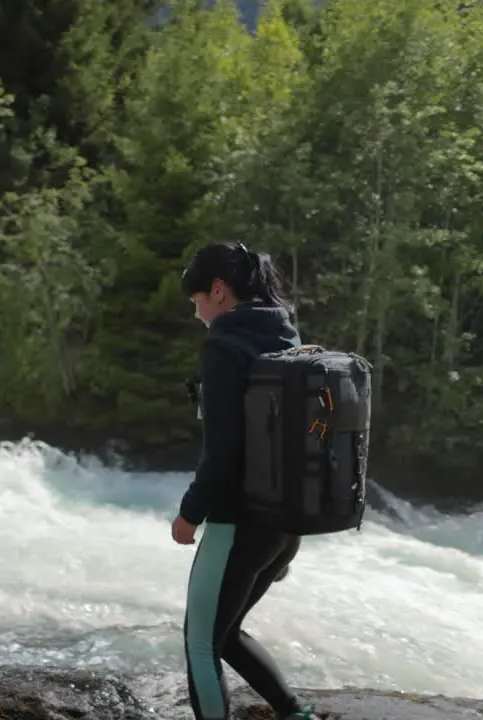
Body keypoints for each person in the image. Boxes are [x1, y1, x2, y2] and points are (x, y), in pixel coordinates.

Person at [172, 241, 317, 720]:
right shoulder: (285, 336)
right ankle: (295, 714)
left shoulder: (224, 346)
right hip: (284, 522)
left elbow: (224, 449)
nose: (197, 315)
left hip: (238, 521)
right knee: (226, 632)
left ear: (217, 291)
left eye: (196, 302)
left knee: (199, 642)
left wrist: (190, 513)